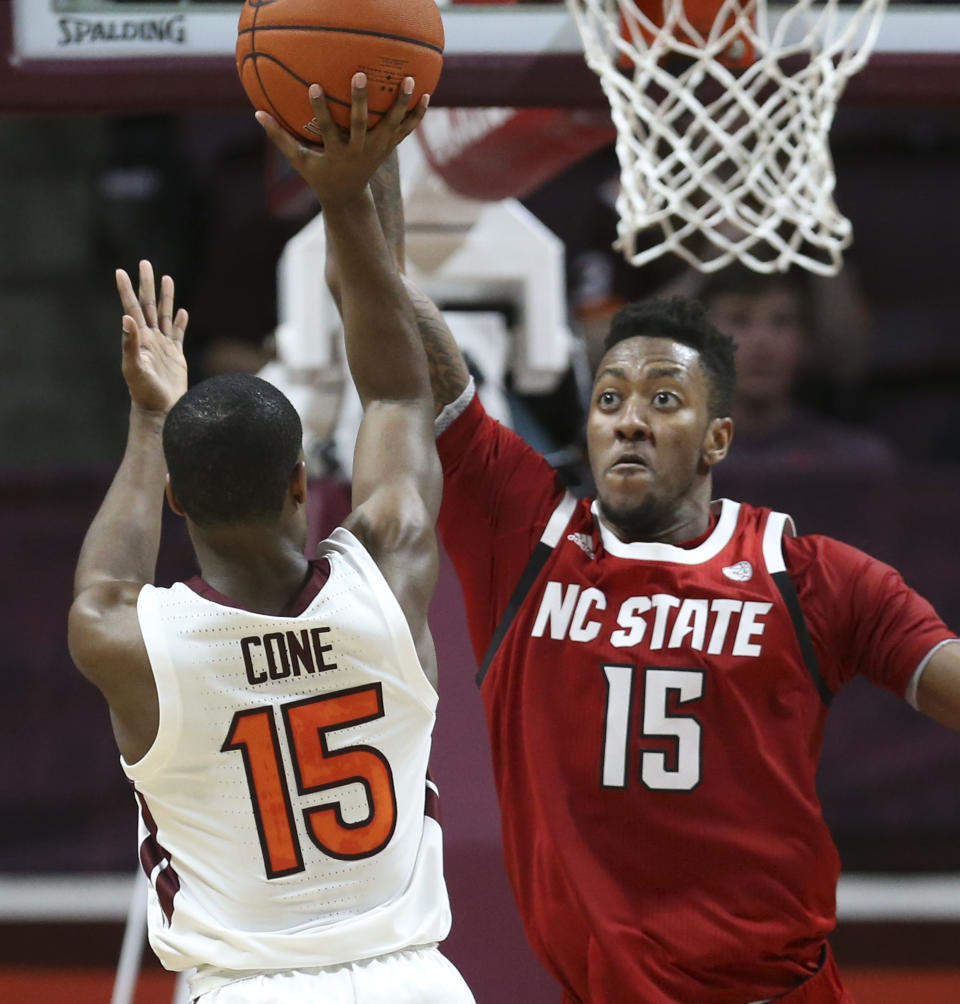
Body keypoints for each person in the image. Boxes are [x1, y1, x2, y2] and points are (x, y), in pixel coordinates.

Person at [341, 161, 960, 1003]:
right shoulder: (527, 538)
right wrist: (357, 172)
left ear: (716, 440)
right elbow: (396, 334)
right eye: (608, 398)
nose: (629, 417)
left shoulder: (807, 577)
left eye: (664, 399)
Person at [68, 77, 474, 1004]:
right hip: (418, 986)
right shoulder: (388, 584)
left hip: (255, 989)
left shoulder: (137, 643)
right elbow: (401, 394)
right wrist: (346, 193)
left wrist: (148, 418)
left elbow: (102, 588)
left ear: (175, 498)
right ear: (302, 482)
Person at [696, 264, 895, 477]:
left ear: (806, 340)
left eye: (782, 321)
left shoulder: (856, 462)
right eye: (739, 320)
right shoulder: (676, 464)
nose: (762, 343)